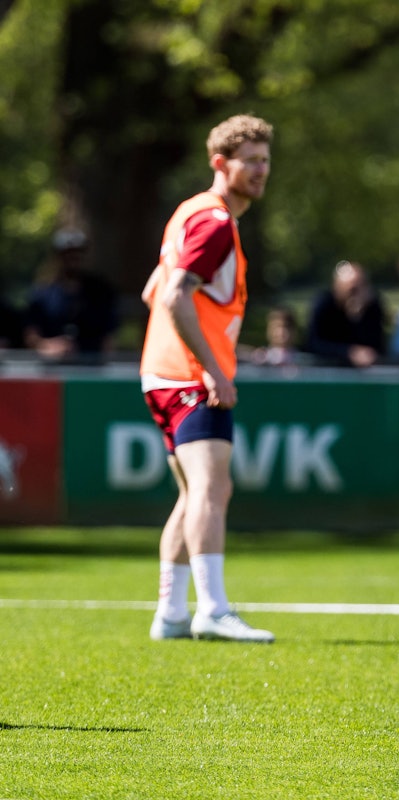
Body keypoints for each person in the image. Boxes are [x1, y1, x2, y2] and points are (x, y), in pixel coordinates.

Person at [139, 114, 275, 644]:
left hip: (162, 374)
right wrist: (213, 368)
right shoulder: (216, 222)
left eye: (265, 160)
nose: (261, 170)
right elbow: (174, 295)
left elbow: (154, 289)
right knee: (212, 488)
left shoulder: (189, 212)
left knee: (194, 492)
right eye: (250, 161)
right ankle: (212, 609)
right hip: (190, 377)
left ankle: (172, 612)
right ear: (221, 163)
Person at [23, 228, 119, 362]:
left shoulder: (100, 291)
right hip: (51, 366)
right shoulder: (43, 292)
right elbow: (31, 335)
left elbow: (109, 338)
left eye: (77, 254)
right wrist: (47, 345)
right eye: (67, 254)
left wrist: (106, 363)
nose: (73, 259)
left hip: (91, 364)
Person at [305, 260, 387, 367]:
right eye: (353, 290)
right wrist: (348, 352)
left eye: (363, 286)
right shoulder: (324, 304)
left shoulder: (372, 306)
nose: (357, 294)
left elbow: (377, 345)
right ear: (338, 287)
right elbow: (314, 344)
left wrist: (358, 318)